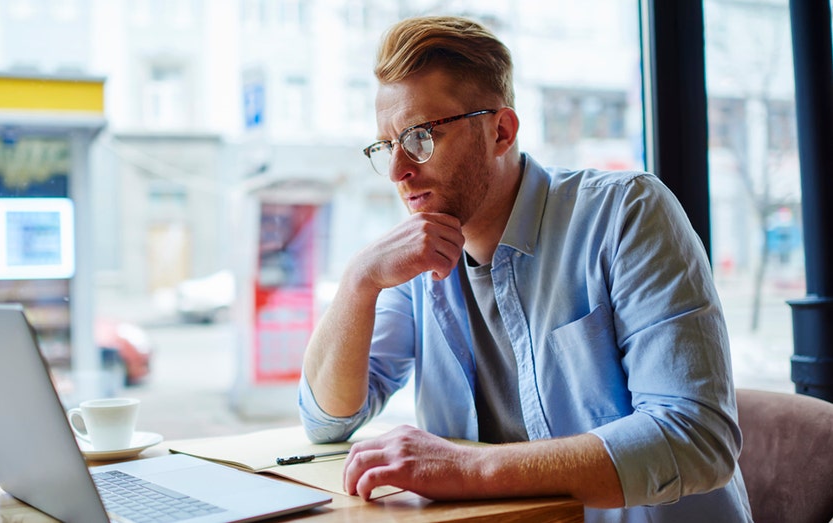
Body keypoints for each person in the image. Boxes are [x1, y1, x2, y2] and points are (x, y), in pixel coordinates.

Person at [298, 15, 752, 522]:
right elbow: (328, 420)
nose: (399, 171)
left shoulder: (627, 214)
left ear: (501, 131)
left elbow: (695, 438)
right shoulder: (420, 259)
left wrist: (468, 469)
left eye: (421, 137)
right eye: (386, 146)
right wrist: (360, 281)